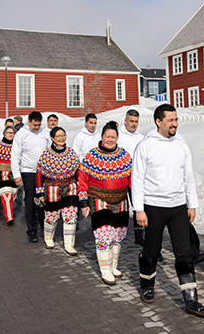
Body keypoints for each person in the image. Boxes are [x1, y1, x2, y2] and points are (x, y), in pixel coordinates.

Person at [132, 104, 204, 318]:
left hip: (177, 207)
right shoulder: (145, 146)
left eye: (176, 120)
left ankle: (191, 300)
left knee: (183, 253)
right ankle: (147, 286)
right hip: (153, 207)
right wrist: (139, 210)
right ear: (159, 121)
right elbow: (137, 179)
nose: (175, 123)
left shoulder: (181, 145)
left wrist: (191, 204)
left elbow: (188, 177)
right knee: (151, 250)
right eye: (170, 120)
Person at [79, 121, 132, 284]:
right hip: (99, 199)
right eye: (108, 136)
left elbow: (131, 179)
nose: (110, 140)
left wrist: (136, 201)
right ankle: (105, 270)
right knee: (104, 235)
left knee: (118, 235)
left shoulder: (124, 155)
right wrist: (83, 202)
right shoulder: (91, 156)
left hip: (121, 199)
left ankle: (113, 266)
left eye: (113, 137)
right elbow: (83, 179)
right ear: (102, 137)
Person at [35, 126, 80, 254]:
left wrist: (81, 187)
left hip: (70, 188)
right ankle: (48, 238)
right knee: (52, 216)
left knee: (71, 216)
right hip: (52, 189)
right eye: (58, 136)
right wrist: (40, 193)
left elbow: (78, 171)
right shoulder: (46, 154)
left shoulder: (71, 153)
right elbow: (39, 174)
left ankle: (69, 244)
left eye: (63, 135)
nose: (61, 138)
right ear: (53, 138)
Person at [11, 111, 49, 243]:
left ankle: (44, 222)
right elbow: (15, 155)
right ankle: (32, 230)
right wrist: (17, 175)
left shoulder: (44, 133)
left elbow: (50, 151)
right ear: (29, 121)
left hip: (44, 172)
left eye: (39, 125)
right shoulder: (21, 134)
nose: (37, 127)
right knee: (30, 201)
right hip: (28, 172)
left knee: (45, 199)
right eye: (34, 125)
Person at [117, 109, 145, 244]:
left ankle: (139, 235)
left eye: (136, 122)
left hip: (136, 178)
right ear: (125, 121)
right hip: (121, 178)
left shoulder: (141, 137)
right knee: (121, 206)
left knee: (138, 206)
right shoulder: (118, 136)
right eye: (131, 121)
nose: (134, 124)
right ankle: (117, 231)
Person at [0, 126, 21, 223]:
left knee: (13, 194)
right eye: (8, 132)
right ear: (4, 134)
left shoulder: (18, 145)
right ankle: (9, 217)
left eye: (12, 133)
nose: (10, 134)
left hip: (15, 173)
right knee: (6, 194)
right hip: (3, 173)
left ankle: (9, 211)